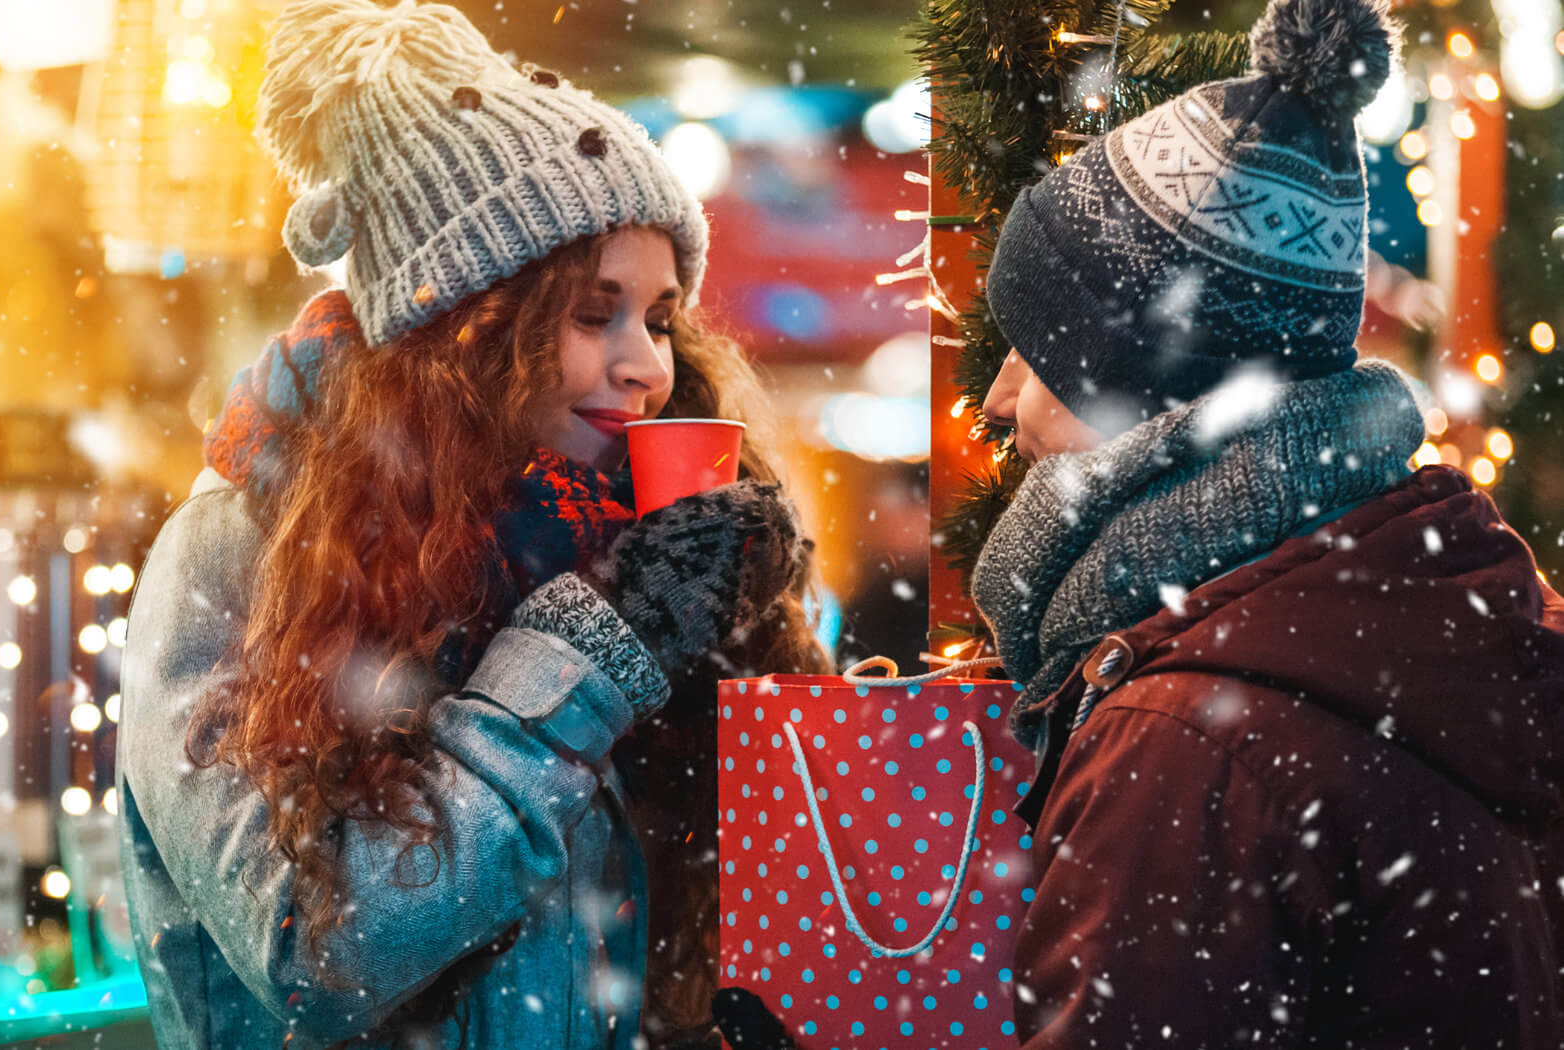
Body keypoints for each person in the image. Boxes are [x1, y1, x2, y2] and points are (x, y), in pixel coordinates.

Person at [115, 2, 831, 1047]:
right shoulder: (241, 551)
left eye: (661, 316)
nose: (647, 364)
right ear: (468, 330)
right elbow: (315, 956)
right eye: (594, 314)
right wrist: (590, 657)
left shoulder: (595, 543)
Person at [968, 0, 1564, 1044]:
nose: (996, 401)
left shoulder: (1187, 743)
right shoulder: (1436, 616)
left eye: (1040, 359)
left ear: (1158, 410)